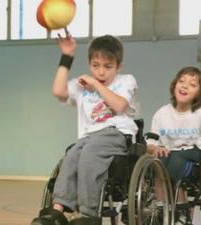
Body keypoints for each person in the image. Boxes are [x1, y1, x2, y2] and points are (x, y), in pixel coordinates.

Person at [32, 32, 138, 225]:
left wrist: (96, 84)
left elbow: (120, 106)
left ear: (118, 67)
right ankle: (58, 210)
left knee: (89, 152)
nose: (101, 72)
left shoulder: (126, 80)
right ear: (89, 64)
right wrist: (67, 56)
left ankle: (89, 214)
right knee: (71, 156)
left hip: (116, 133)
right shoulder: (81, 86)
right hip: (89, 136)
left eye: (108, 66)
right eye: (95, 66)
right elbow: (58, 91)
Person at [147, 66, 201, 225]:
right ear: (175, 84)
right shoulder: (162, 113)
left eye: (192, 84)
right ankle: (162, 209)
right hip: (170, 154)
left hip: (196, 154)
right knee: (158, 161)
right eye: (181, 81)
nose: (184, 85)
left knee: (174, 159)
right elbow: (150, 144)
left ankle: (182, 212)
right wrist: (157, 148)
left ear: (199, 92)